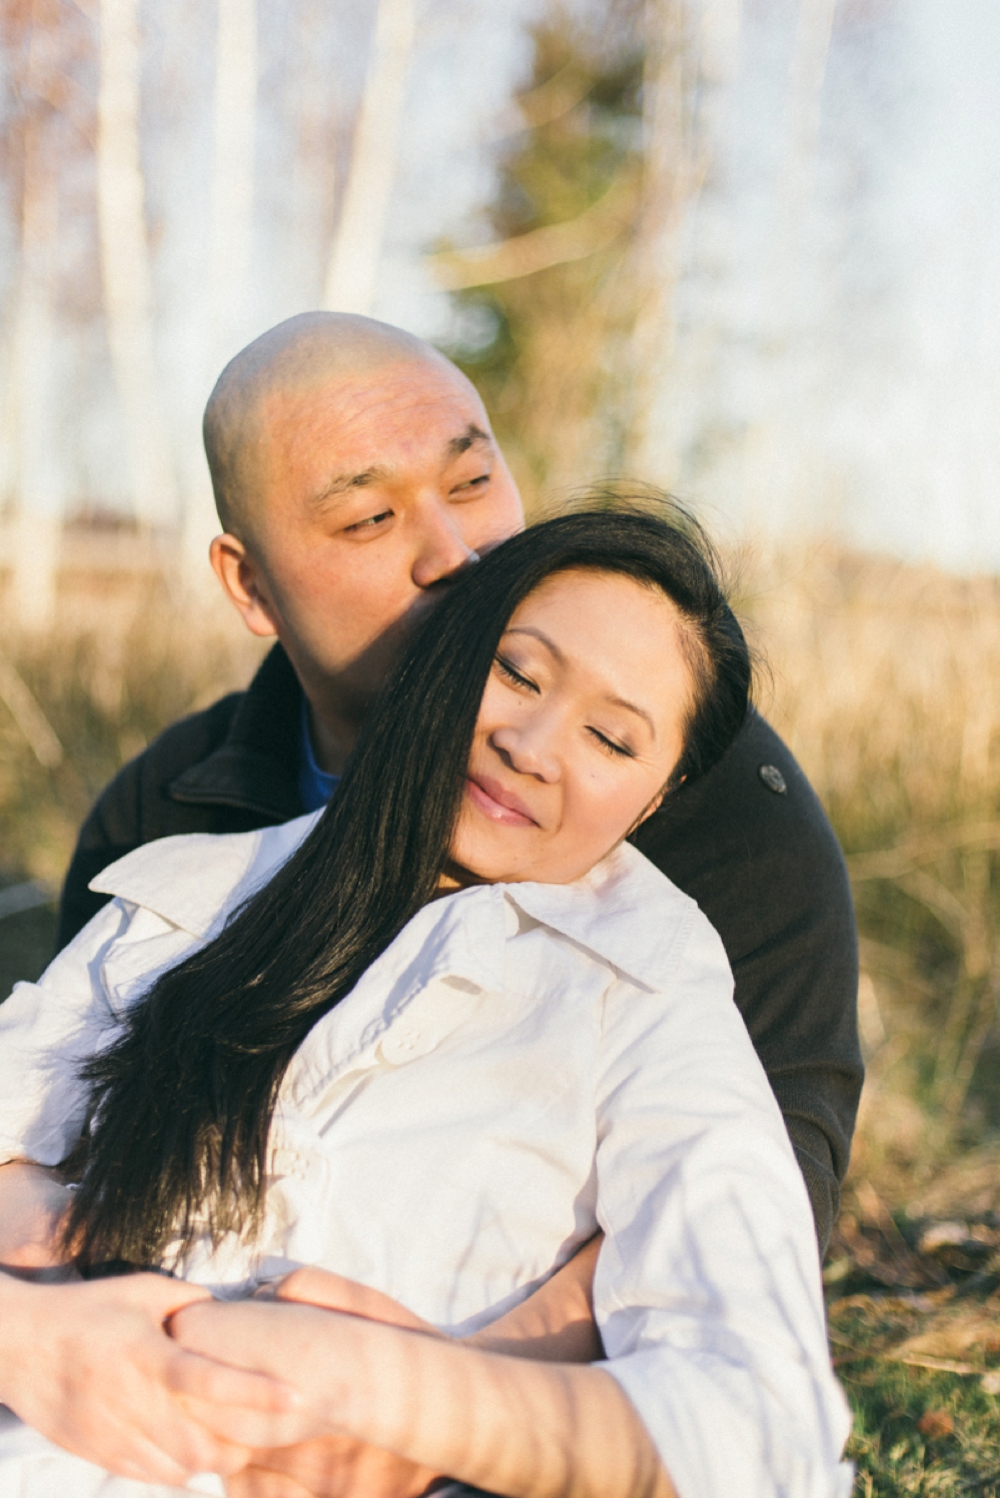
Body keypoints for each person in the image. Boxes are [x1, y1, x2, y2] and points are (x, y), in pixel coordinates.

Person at [0, 510, 852, 1498]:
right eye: (518, 673)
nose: (531, 744)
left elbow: (767, 1426)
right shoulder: (182, 895)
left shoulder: (647, 986)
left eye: (611, 738)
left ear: (657, 798)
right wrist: (35, 1337)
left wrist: (418, 1404)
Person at [53, 312, 862, 1264]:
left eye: (472, 482)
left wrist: (451, 1376)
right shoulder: (170, 822)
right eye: (369, 518)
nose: (456, 554)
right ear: (252, 587)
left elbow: (765, 1204)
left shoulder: (727, 816)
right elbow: (71, 1122)